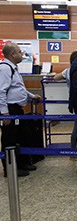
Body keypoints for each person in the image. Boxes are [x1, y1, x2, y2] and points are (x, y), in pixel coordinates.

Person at [0, 43, 42, 177]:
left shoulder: (13, 68)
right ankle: (10, 169)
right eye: (19, 51)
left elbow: (18, 88)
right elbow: (1, 91)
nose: (22, 54)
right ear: (12, 54)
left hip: (17, 109)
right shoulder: (5, 69)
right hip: (10, 110)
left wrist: (31, 95)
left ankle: (22, 163)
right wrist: (5, 113)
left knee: (24, 135)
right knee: (9, 139)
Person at [53, 50, 77, 150]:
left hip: (73, 100)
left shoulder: (67, 71)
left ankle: (75, 148)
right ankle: (74, 149)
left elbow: (55, 77)